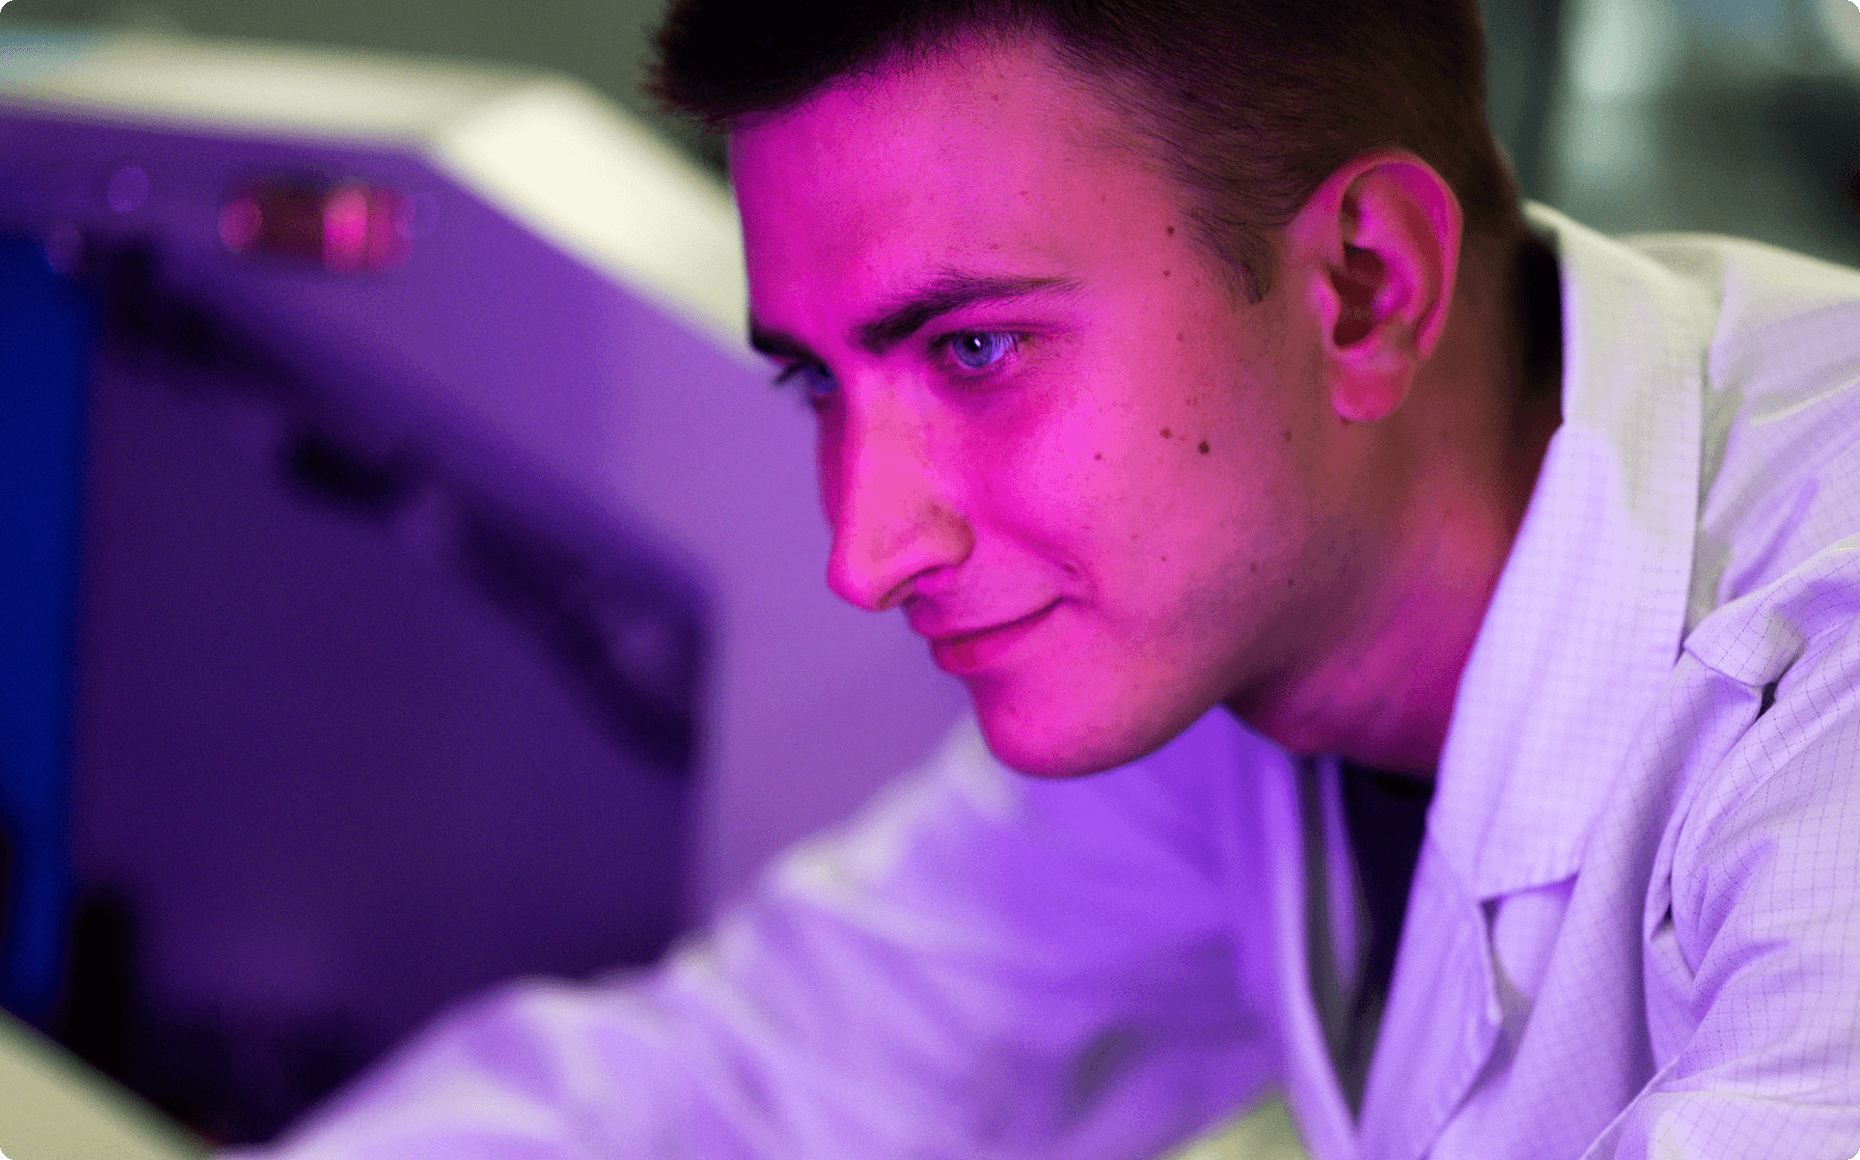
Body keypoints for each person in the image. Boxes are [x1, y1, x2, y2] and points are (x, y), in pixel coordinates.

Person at [226, 0, 1860, 1156]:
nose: (865, 553)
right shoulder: (1250, 634)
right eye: (816, 383)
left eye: (975, 349)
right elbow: (770, 1075)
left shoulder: (1825, 669)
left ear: (1366, 283)